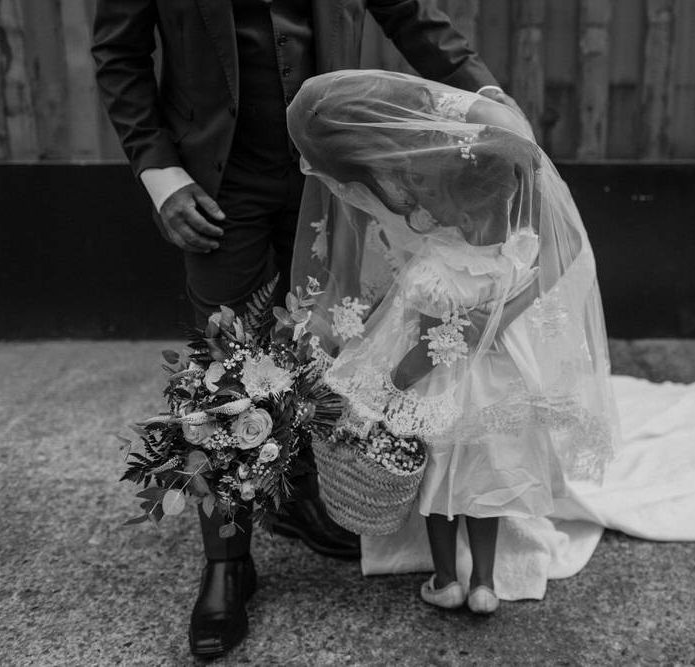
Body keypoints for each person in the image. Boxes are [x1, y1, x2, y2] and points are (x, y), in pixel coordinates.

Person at [91, 0, 527, 658]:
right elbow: (119, 53)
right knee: (225, 360)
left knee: (328, 336)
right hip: (214, 178)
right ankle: (228, 557)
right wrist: (159, 171)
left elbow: (408, 12)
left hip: (329, 167)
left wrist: (487, 93)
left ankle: (298, 492)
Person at [287, 70, 619, 614]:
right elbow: (518, 260)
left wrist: (398, 380)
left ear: (454, 204)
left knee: (437, 477)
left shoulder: (496, 148)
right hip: (496, 369)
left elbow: (564, 248)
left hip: (453, 365)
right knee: (486, 472)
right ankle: (483, 581)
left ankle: (447, 577)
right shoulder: (506, 250)